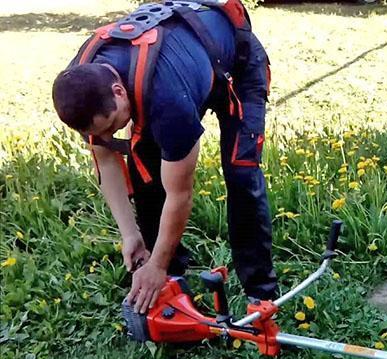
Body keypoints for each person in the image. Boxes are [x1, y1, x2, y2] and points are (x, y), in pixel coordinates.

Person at [52, 1, 278, 314]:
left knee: (241, 173)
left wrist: (154, 264)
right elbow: (106, 159)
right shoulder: (83, 81)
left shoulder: (166, 100)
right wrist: (130, 235)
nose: (111, 137)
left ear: (119, 91)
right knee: (144, 165)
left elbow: (180, 194)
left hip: (235, 66)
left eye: (113, 126)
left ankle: (260, 292)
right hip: (184, 68)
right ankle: (170, 276)